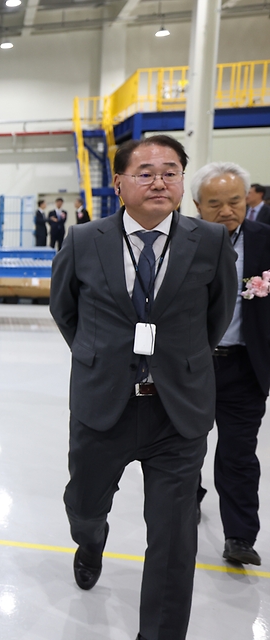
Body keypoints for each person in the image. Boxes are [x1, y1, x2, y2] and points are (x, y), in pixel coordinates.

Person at [50, 134, 236, 640]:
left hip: (176, 412)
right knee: (84, 507)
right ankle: (91, 542)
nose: (160, 181)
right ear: (118, 183)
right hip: (103, 405)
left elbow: (217, 316)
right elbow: (64, 309)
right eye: (146, 172)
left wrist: (178, 363)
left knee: (175, 540)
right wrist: (99, 357)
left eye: (170, 172)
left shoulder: (209, 241)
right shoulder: (84, 240)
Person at [192, 162, 270, 566]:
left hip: (244, 368)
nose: (227, 211)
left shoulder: (265, 240)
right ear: (197, 205)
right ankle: (187, 500)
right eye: (215, 204)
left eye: (235, 201)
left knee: (239, 454)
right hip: (191, 368)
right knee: (185, 446)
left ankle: (240, 536)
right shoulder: (181, 242)